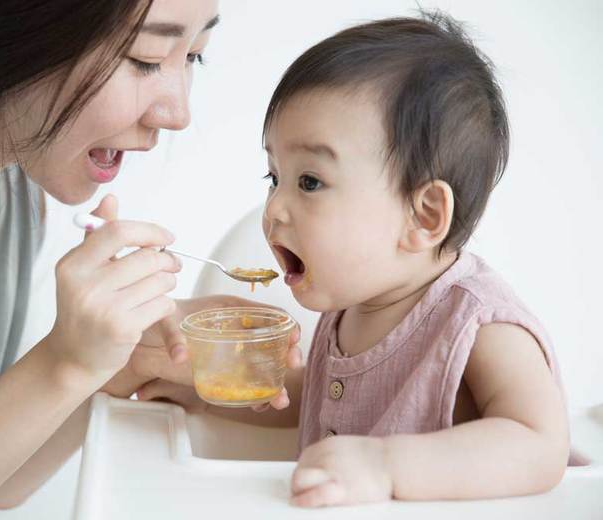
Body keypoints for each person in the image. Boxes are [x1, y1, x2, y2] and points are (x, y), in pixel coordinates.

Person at [0, 0, 300, 517]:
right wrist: (65, 364)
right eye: (145, 58)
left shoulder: (11, 182)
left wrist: (114, 362)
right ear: (13, 28)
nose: (178, 114)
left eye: (195, 56)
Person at [138, 11, 573, 508]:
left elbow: (539, 445)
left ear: (424, 215)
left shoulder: (479, 323)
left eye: (310, 182)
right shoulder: (353, 305)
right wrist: (207, 395)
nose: (274, 207)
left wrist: (386, 466)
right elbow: (325, 403)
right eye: (273, 177)